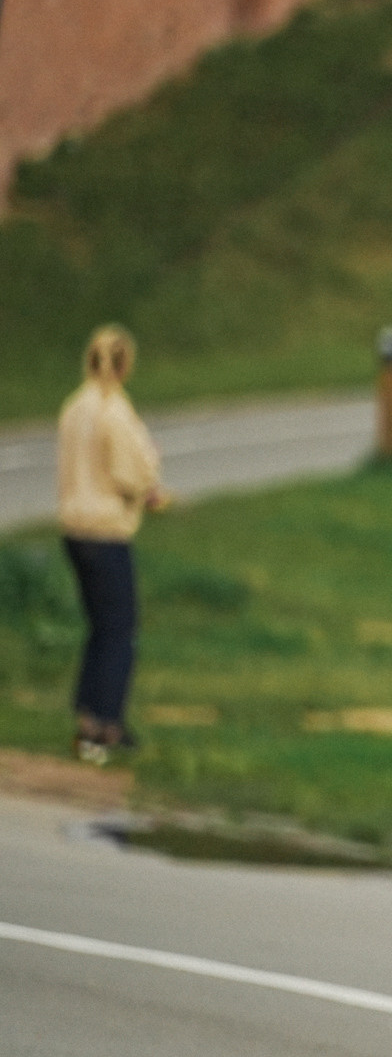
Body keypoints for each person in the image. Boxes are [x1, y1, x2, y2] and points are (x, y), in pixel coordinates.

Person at [56, 325, 167, 764]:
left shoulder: (74, 406)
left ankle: (86, 719)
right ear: (125, 364)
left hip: (72, 525)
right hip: (106, 528)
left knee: (98, 627)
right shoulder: (113, 410)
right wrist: (150, 487)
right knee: (119, 630)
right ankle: (106, 726)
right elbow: (129, 471)